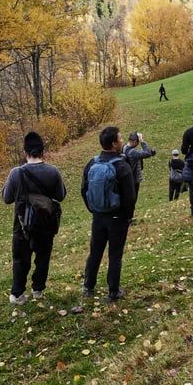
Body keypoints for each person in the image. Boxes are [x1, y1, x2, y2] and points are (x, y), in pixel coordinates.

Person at [1, 132, 67, 305]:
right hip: (45, 223)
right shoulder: (53, 171)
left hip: (22, 225)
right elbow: (61, 196)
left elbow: (6, 198)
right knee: (43, 258)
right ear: (43, 152)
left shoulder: (16, 173)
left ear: (25, 152)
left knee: (20, 259)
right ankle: (38, 290)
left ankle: (18, 295)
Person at [81, 126, 137, 303]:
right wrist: (128, 216)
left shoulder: (92, 163)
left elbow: (84, 190)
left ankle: (88, 287)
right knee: (115, 255)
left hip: (98, 216)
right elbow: (130, 197)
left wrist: (93, 209)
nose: (122, 141)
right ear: (114, 144)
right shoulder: (122, 166)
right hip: (117, 217)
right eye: (120, 139)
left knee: (95, 252)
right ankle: (113, 291)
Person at [122, 131, 156, 199]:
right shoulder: (133, 152)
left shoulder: (123, 148)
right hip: (134, 180)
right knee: (132, 200)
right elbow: (147, 153)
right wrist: (142, 141)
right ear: (135, 142)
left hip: (126, 178)